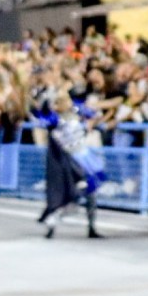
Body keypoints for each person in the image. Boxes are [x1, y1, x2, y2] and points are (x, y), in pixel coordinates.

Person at [35, 91, 107, 239]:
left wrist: (87, 116)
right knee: (69, 196)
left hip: (84, 156)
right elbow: (42, 120)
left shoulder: (77, 113)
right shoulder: (55, 120)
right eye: (60, 102)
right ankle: (51, 225)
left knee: (91, 193)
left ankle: (91, 227)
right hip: (68, 160)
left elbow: (95, 115)